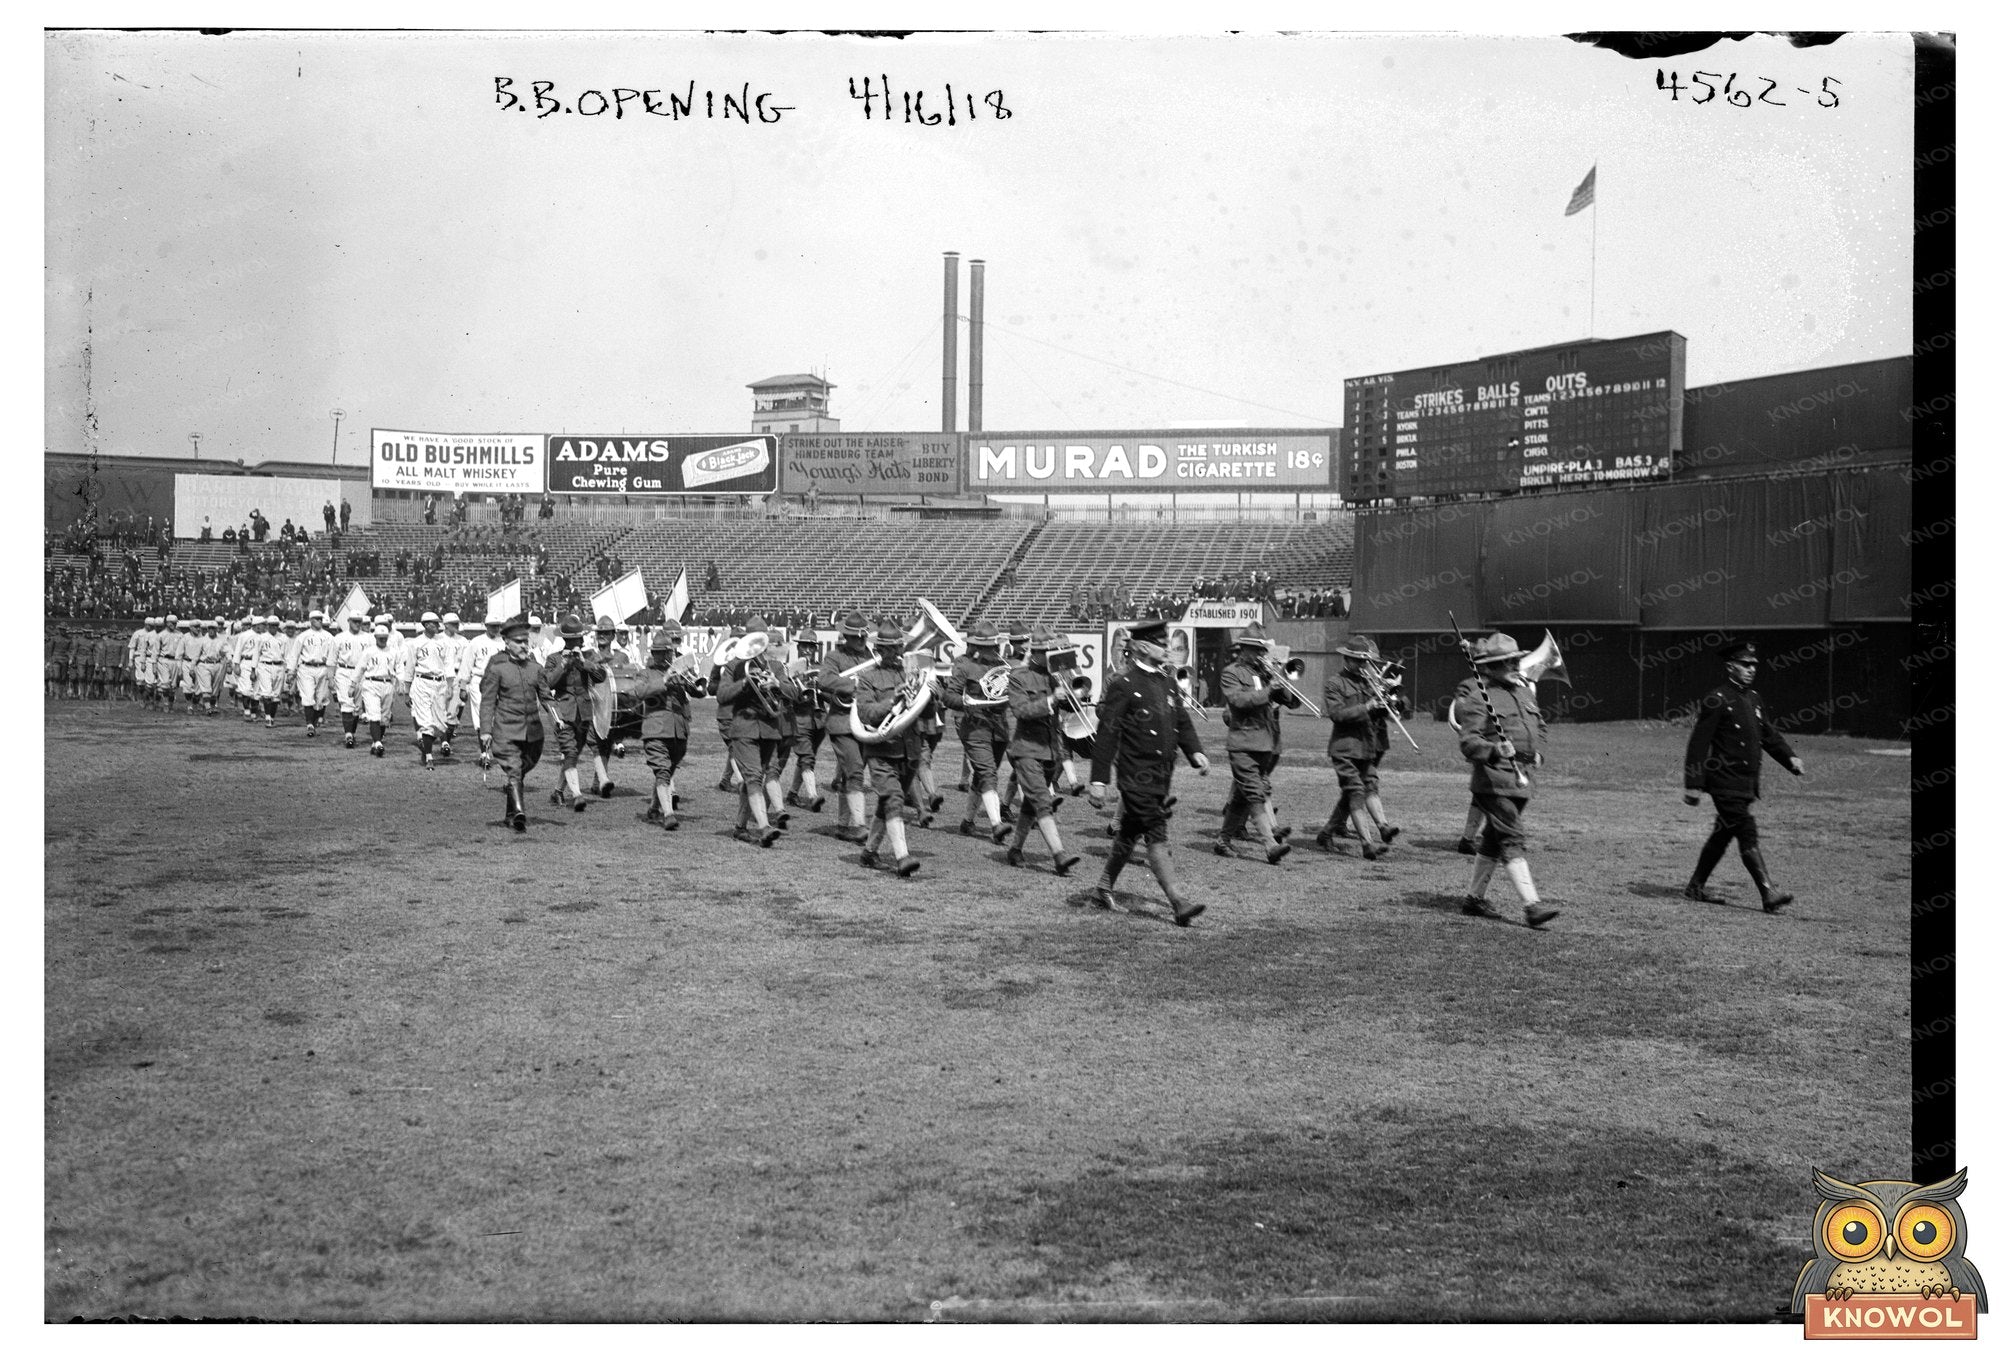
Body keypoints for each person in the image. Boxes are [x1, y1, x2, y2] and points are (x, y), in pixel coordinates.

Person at [1088, 617, 1211, 925]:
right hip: (1135, 774)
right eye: (1160, 643)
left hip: (1161, 775)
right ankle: (1178, 902)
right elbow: (1107, 735)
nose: (1166, 648)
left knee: (1129, 833)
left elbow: (1180, 721)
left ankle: (1103, 888)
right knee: (1156, 833)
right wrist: (1099, 780)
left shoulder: (1167, 681)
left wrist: (1195, 750)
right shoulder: (1124, 685)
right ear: (1143, 647)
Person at [1682, 641, 1804, 912]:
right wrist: (1693, 784)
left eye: (1754, 665)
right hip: (1724, 782)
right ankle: (1768, 893)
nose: (1751, 669)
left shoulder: (1753, 699)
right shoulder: (1717, 699)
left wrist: (1789, 757)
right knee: (1746, 831)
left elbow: (1768, 735)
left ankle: (1695, 887)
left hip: (1746, 784)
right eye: (1745, 665)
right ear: (1730, 667)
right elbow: (1698, 744)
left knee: (1722, 835)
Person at [1453, 633, 1560, 928]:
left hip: (1522, 779)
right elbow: (1468, 743)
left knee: (1492, 839)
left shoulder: (1525, 693)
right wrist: (1493, 749)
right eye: (1505, 662)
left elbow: (1539, 728)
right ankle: (1532, 906)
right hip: (1493, 780)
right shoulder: (1477, 698)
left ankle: (1473, 900)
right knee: (1512, 836)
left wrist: (1538, 754)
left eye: (1515, 659)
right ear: (1490, 667)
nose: (1514, 664)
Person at [1315, 635, 1407, 859]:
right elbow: (1337, 714)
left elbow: (1388, 710)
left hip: (1367, 747)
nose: (1363, 665)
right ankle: (1367, 843)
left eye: (1365, 661)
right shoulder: (1335, 683)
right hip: (1345, 748)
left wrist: (1392, 698)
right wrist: (1367, 706)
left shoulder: (1370, 682)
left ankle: (1381, 826)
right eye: (1358, 661)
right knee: (1355, 792)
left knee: (1370, 786)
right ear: (1346, 659)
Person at [1003, 626, 1083, 875]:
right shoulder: (1019, 677)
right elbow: (1021, 711)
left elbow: (1071, 707)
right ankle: (1059, 856)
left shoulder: (1054, 677)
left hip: (1049, 752)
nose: (1055, 656)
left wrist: (1076, 694)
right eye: (1050, 652)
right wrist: (1050, 700)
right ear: (1036, 654)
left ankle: (1015, 849)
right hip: (1026, 750)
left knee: (1030, 805)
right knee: (1043, 802)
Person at [1215, 622, 1297, 864]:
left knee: (1242, 797)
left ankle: (1222, 841)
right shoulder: (1232, 672)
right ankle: (1270, 844)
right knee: (1254, 793)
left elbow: (1291, 701)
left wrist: (1280, 678)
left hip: (1265, 743)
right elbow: (1238, 701)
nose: (1262, 655)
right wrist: (1268, 691)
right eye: (1256, 650)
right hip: (1242, 742)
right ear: (1243, 649)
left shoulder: (1265, 673)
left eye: (1263, 650)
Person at [849, 618, 924, 877]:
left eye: (898, 648)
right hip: (881, 750)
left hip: (909, 748)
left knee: (887, 803)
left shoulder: (912, 672)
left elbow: (924, 711)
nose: (895, 653)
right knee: (894, 799)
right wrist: (894, 699)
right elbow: (867, 712)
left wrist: (931, 695)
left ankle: (869, 852)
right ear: (879, 650)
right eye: (889, 649)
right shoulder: (867, 677)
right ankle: (902, 857)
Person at [941, 620, 1012, 842]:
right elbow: (949, 696)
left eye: (994, 646)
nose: (993, 650)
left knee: (982, 775)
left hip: (999, 728)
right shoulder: (964, 665)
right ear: (977, 647)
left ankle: (967, 822)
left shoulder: (1003, 666)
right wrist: (966, 703)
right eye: (987, 646)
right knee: (989, 772)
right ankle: (996, 825)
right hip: (974, 728)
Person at [480, 615, 550, 831]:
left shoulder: (536, 668)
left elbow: (546, 696)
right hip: (506, 731)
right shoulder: (498, 667)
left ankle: (510, 814)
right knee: (514, 769)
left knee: (519, 771)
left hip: (533, 734)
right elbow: (488, 701)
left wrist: (558, 718)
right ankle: (519, 813)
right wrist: (485, 731)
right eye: (518, 642)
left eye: (525, 642)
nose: (523, 646)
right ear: (507, 643)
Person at [815, 611, 878, 843]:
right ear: (846, 636)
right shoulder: (834, 656)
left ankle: (842, 825)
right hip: (841, 722)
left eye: (863, 636)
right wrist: (855, 683)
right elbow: (824, 680)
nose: (860, 640)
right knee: (855, 772)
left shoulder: (873, 655)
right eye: (855, 637)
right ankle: (860, 826)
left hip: (865, 721)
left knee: (849, 774)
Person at [627, 623, 695, 831]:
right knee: (663, 771)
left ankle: (654, 807)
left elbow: (699, 691)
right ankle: (669, 814)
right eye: (657, 653)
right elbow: (638, 692)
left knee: (667, 771)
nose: (660, 657)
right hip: (655, 730)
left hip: (679, 730)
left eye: (664, 652)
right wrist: (665, 681)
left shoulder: (679, 670)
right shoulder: (645, 673)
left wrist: (690, 680)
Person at [544, 615, 604, 809]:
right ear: (568, 640)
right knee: (569, 751)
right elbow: (548, 683)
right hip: (563, 711)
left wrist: (582, 663)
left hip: (584, 712)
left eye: (580, 638)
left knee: (574, 754)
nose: (580, 641)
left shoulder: (588, 656)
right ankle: (577, 795)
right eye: (576, 639)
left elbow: (601, 675)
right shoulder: (553, 659)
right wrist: (564, 664)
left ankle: (558, 791)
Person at [399, 612, 454, 768]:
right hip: (422, 682)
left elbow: (449, 665)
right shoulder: (415, 643)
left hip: (440, 683)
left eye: (438, 623)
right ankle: (429, 756)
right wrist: (407, 691)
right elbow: (409, 668)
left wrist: (450, 686)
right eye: (434, 623)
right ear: (426, 624)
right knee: (426, 722)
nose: (437, 626)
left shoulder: (445, 642)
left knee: (440, 724)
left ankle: (426, 749)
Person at [784, 634, 831, 812]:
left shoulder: (821, 668)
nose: (807, 650)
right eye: (804, 646)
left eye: (811, 647)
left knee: (808, 757)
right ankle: (812, 796)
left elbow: (827, 695)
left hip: (819, 720)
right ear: (798, 648)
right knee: (806, 757)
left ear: (816, 649)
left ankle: (792, 793)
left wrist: (822, 686)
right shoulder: (790, 669)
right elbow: (788, 695)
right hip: (799, 718)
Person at [458, 614, 506, 754]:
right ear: (486, 626)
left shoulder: (503, 642)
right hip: (479, 680)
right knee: (481, 715)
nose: (495, 628)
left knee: (498, 717)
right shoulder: (476, 642)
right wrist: (463, 686)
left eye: (497, 625)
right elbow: (467, 664)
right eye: (492, 625)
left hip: (500, 682)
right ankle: (484, 753)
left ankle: (495, 749)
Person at [355, 622, 400, 757]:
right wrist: (353, 684)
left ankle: (376, 742)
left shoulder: (393, 652)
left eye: (385, 637)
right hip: (371, 683)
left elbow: (400, 669)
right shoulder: (369, 651)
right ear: (375, 637)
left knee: (384, 717)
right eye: (380, 637)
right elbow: (360, 668)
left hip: (387, 684)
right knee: (374, 714)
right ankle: (378, 742)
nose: (383, 640)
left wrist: (401, 683)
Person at [288, 610, 335, 738]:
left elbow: (332, 656)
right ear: (311, 620)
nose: (319, 621)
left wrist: (332, 673)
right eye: (316, 619)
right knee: (308, 695)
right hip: (306, 667)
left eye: (320, 619)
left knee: (321, 698)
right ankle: (309, 724)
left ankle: (315, 721)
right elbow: (294, 654)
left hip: (322, 667)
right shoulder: (303, 636)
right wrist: (291, 671)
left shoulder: (328, 636)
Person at [331, 611, 372, 747]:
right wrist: (331, 677)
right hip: (344, 670)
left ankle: (351, 733)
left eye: (359, 621)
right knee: (346, 702)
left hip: (361, 673)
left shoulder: (368, 638)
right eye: (354, 621)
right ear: (348, 621)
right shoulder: (339, 637)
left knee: (357, 706)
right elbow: (332, 659)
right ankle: (348, 734)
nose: (357, 623)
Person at [436, 612, 469, 758]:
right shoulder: (438, 639)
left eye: (457, 623)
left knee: (452, 710)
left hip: (456, 675)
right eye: (453, 623)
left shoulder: (462, 641)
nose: (456, 626)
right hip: (440, 676)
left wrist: (463, 682)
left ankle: (445, 743)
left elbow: (465, 663)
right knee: (438, 709)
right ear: (446, 624)